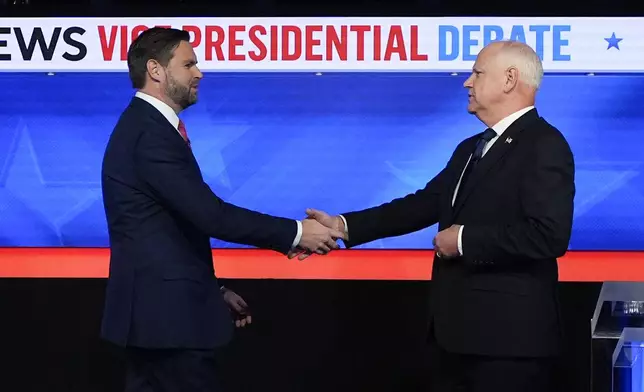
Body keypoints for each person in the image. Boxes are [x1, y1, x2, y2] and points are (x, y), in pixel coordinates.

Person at [298, 40, 575, 391]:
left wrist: (462, 240)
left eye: (477, 73)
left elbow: (548, 234)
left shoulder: (544, 144)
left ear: (509, 79)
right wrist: (344, 225)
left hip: (508, 344)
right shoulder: (470, 147)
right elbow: (423, 204)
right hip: (456, 339)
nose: (467, 82)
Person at [100, 27, 344, 392]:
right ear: (156, 69)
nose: (199, 73)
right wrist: (296, 232)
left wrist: (212, 290)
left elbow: (167, 231)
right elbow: (209, 214)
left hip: (162, 320)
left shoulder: (146, 127)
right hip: (169, 325)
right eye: (188, 64)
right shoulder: (149, 133)